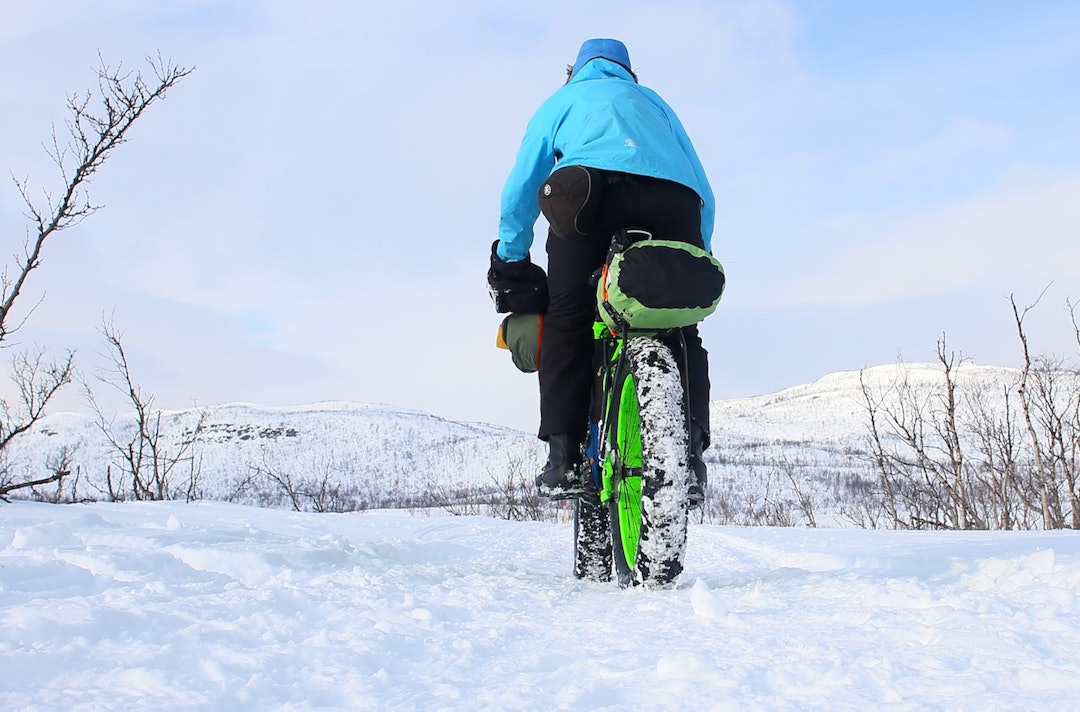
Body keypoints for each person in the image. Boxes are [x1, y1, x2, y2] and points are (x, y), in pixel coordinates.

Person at [488, 38, 714, 505]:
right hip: (675, 203)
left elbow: (521, 189)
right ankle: (687, 457)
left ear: (576, 69)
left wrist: (512, 257)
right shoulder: (655, 104)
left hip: (587, 196)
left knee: (569, 318)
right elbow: (704, 192)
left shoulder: (563, 99)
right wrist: (696, 252)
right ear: (628, 72)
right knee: (681, 326)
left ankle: (565, 458)